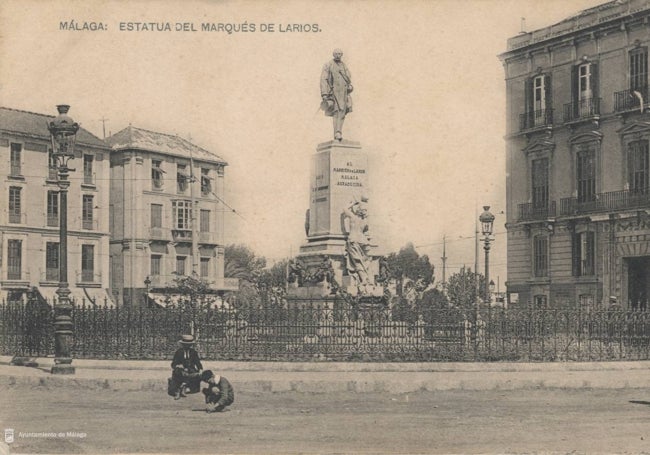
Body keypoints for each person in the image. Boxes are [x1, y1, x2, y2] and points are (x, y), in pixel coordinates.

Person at [320, 48, 353, 141]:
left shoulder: (343, 65)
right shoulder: (328, 64)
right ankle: (337, 132)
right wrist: (324, 94)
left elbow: (349, 78)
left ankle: (339, 131)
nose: (338, 55)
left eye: (340, 54)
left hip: (344, 93)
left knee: (342, 112)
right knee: (336, 111)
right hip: (333, 92)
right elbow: (323, 79)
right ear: (333, 54)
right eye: (337, 54)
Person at [342, 197, 371, 289]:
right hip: (363, 241)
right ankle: (367, 278)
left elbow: (344, 209)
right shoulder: (365, 221)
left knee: (357, 261)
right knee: (364, 261)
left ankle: (363, 279)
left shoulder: (353, 217)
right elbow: (366, 230)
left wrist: (353, 203)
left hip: (353, 239)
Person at [169, 334, 203, 400]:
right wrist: (178, 365)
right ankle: (178, 391)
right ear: (183, 344)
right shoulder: (179, 352)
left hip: (191, 370)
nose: (187, 346)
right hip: (180, 370)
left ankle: (183, 387)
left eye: (189, 344)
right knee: (180, 373)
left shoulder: (193, 352)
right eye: (185, 344)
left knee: (195, 374)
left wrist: (200, 369)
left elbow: (198, 363)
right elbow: (173, 364)